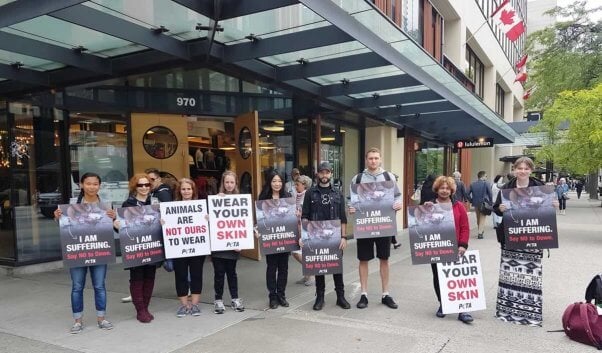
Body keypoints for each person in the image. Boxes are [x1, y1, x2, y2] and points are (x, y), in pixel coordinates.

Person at [492, 157, 558, 326]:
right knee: (509, 274)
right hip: (511, 237)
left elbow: (547, 212)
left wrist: (554, 205)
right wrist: (500, 209)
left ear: (531, 170)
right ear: (514, 170)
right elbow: (496, 210)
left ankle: (530, 312)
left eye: (526, 168)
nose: (522, 171)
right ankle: (506, 310)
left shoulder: (541, 189)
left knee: (531, 275)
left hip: (533, 238)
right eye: (519, 168)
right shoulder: (506, 188)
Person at [54, 172, 115, 334]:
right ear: (81, 185)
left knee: (100, 286)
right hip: (78, 252)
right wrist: (57, 217)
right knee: (77, 286)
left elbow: (114, 227)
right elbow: (65, 224)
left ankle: (101, 318)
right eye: (88, 183)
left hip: (99, 251)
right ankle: (77, 321)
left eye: (95, 184)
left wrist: (114, 217)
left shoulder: (106, 205)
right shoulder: (73, 204)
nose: (92, 187)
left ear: (99, 186)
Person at [348, 147, 402, 310]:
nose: (373, 161)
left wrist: (398, 204)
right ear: (366, 159)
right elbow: (350, 199)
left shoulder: (388, 177)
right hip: (365, 225)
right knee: (363, 259)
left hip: (384, 224)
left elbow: (397, 195)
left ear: (380, 159)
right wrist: (351, 208)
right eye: (370, 158)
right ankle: (364, 294)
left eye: (376, 158)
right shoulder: (357, 179)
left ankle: (385, 294)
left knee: (384, 258)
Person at [421, 176, 472, 323]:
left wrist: (463, 245)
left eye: (447, 188)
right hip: (436, 247)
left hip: (455, 247)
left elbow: (465, 227)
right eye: (442, 188)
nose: (444, 191)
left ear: (452, 190)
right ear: (437, 189)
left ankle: (462, 309)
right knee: (438, 277)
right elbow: (422, 226)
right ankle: (443, 303)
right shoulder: (429, 205)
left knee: (457, 278)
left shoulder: (459, 206)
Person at [301, 162, 351, 311]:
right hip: (316, 236)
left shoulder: (337, 193)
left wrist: (344, 237)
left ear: (331, 174)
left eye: (327, 172)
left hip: (334, 237)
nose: (324, 175)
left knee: (336, 267)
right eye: (322, 172)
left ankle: (340, 297)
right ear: (318, 174)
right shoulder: (310, 193)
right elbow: (305, 216)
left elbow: (343, 217)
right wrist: (305, 235)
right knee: (319, 267)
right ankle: (320, 297)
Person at [116, 173, 157, 323]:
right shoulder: (128, 204)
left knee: (150, 277)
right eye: (141, 185)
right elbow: (122, 227)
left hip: (152, 246)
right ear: (135, 187)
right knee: (137, 278)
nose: (144, 187)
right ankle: (140, 310)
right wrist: (117, 225)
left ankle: (145, 307)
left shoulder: (154, 203)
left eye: (147, 185)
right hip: (136, 247)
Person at [171, 178, 205, 317]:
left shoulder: (200, 206)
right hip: (179, 248)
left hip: (197, 246)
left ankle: (195, 305)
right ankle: (184, 305)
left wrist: (207, 219)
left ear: (193, 190)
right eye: (183, 189)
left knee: (197, 275)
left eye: (189, 189)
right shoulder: (172, 207)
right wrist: (164, 222)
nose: (186, 191)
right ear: (179, 191)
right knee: (181, 276)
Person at [258, 171, 292, 309]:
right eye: (274, 181)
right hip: (271, 238)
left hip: (285, 238)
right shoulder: (264, 197)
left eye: (279, 181)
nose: (277, 184)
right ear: (269, 182)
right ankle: (272, 296)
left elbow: (292, 217)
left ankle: (281, 295)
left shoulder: (287, 197)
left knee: (283, 268)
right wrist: (257, 230)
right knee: (271, 268)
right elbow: (259, 218)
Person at [212, 171, 245, 314]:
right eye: (227, 182)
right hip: (219, 245)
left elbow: (242, 223)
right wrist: (216, 201)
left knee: (232, 273)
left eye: (232, 182)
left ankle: (235, 298)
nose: (229, 185)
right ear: (223, 183)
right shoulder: (215, 200)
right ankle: (218, 300)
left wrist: (241, 243)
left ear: (235, 183)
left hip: (233, 246)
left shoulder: (241, 200)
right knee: (219, 274)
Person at [291, 175, 314, 286]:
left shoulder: (308, 196)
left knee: (298, 252)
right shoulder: (298, 195)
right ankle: (307, 275)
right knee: (296, 252)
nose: (295, 186)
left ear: (304, 185)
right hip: (297, 227)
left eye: (297, 184)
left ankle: (311, 274)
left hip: (305, 227)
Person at [467, 171, 492, 239]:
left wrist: (471, 200)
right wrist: (491, 202)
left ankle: (480, 230)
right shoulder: (486, 183)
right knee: (482, 218)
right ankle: (480, 233)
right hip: (484, 203)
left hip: (475, 203)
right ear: (482, 176)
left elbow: (467, 194)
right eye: (486, 176)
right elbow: (490, 194)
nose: (486, 178)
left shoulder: (472, 184)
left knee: (478, 218)